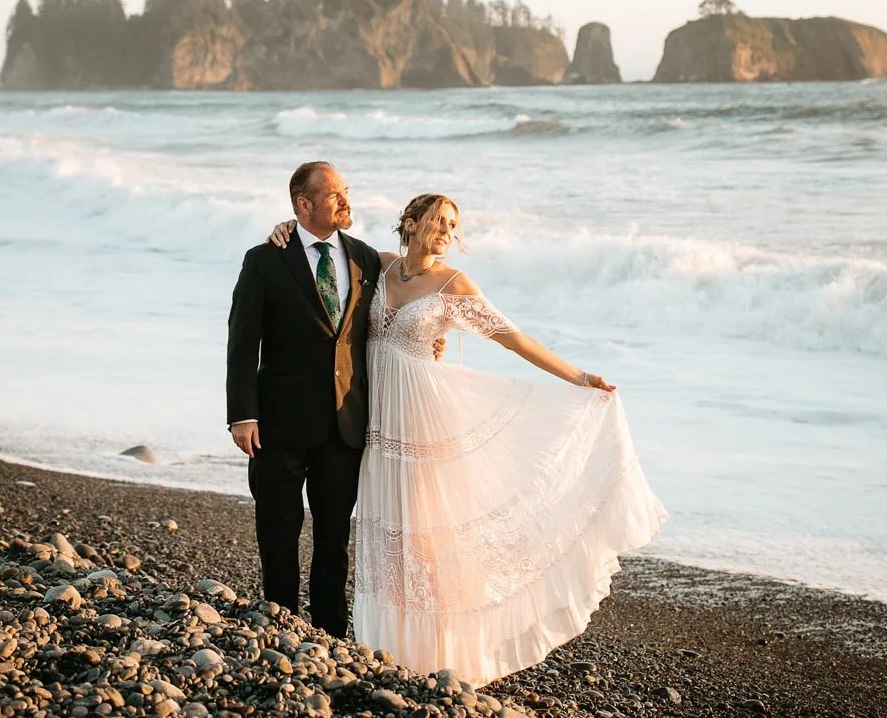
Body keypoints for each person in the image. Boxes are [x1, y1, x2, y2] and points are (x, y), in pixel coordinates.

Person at [267, 193, 666, 685]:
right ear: (410, 223)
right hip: (378, 426)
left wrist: (579, 377)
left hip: (423, 423)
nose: (445, 230)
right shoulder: (380, 266)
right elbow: (323, 249)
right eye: (437, 219)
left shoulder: (454, 284)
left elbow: (513, 338)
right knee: (386, 532)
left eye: (452, 225)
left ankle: (439, 654)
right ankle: (386, 646)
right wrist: (289, 227)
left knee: (424, 536)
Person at [225, 160, 382, 638]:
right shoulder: (265, 259)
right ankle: (281, 623)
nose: (345, 199)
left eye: (346, 190)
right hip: (278, 424)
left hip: (344, 424)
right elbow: (241, 340)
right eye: (334, 193)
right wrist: (241, 415)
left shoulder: (366, 258)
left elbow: (391, 311)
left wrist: (432, 337)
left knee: (334, 536)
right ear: (304, 204)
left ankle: (330, 631)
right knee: (279, 530)